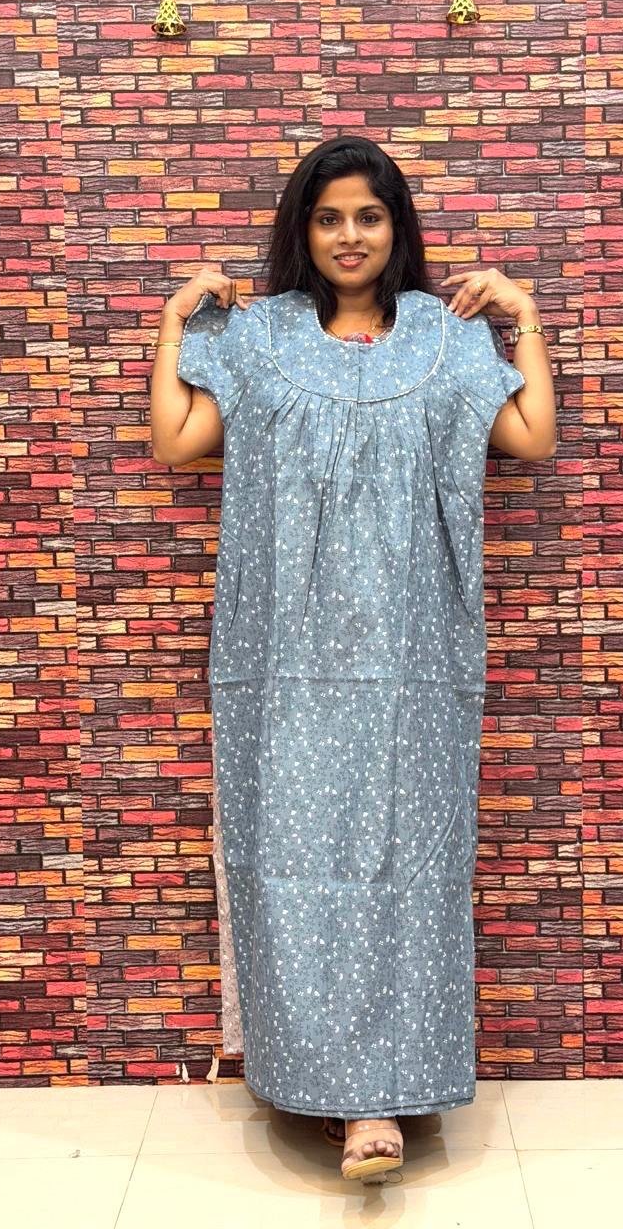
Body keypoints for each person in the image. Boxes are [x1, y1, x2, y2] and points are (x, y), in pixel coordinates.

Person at [149, 136, 556, 1185]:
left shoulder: (444, 337)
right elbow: (179, 439)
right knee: (294, 867)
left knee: (407, 864)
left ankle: (382, 1096)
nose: (348, 236)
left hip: (413, 661)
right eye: (328, 217)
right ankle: (323, 1084)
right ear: (304, 227)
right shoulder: (261, 336)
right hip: (284, 662)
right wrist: (175, 323)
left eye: (368, 217)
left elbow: (529, 436)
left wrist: (525, 318)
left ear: (394, 227)